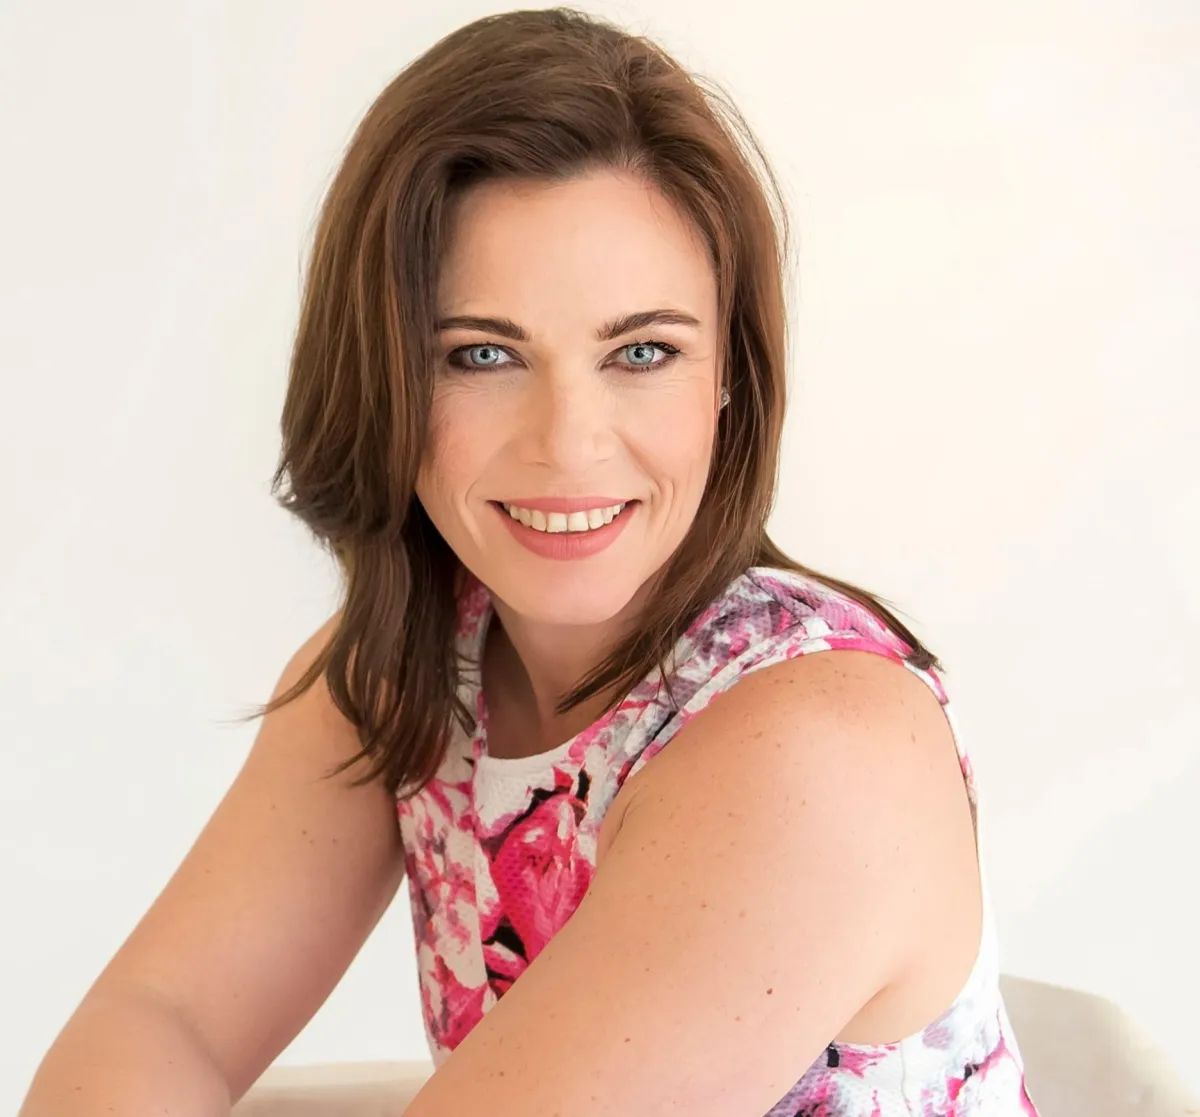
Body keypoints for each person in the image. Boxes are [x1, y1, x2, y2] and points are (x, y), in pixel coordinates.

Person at [20, 8, 1040, 1116]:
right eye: (484, 354)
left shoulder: (820, 751)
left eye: (642, 349)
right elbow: (163, 1021)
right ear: (388, 379)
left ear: (728, 374)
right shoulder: (407, 668)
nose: (568, 440)